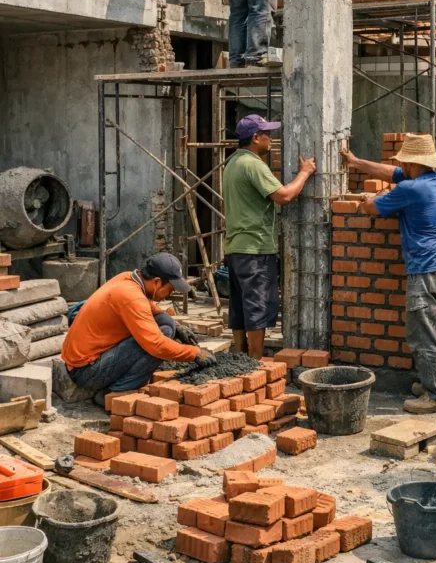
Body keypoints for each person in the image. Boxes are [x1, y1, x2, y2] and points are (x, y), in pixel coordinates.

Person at [341, 133, 436, 415]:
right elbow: (392, 173)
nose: (400, 167)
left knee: (423, 335)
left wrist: (374, 195)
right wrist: (356, 162)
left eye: (403, 163)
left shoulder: (411, 190)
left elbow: (370, 207)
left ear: (410, 162)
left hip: (426, 271)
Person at [62, 252, 214, 403]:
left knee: (166, 323)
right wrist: (194, 353)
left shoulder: (129, 279)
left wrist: (177, 326)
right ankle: (116, 392)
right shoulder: (131, 296)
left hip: (87, 359)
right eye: (170, 288)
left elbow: (153, 311)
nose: (171, 293)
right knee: (160, 339)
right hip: (86, 371)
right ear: (156, 282)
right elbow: (157, 345)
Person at [223, 114, 316, 359]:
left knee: (240, 305)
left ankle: (240, 358)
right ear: (255, 138)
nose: (272, 139)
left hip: (235, 247)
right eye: (268, 134)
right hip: (254, 248)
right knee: (257, 305)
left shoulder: (232, 162)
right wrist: (304, 173)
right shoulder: (253, 164)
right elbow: (284, 196)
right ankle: (254, 362)